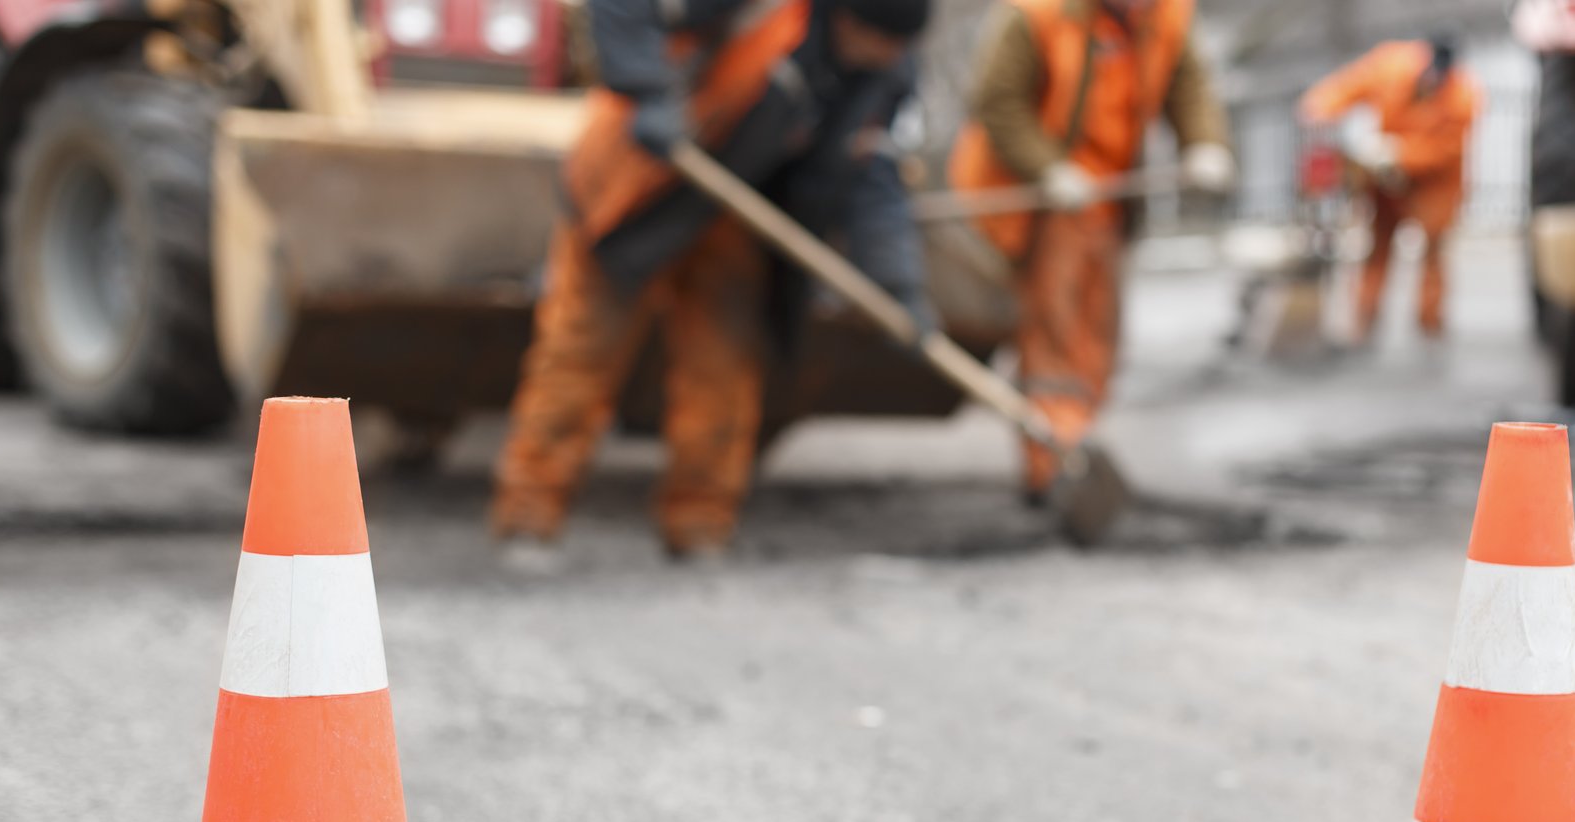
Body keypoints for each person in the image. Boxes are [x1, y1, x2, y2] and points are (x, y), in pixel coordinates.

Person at [491, 0, 934, 559]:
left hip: (729, 211)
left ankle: (700, 526)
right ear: (849, 19)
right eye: (883, 44)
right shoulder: (763, 10)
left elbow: (874, 184)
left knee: (722, 373)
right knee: (582, 356)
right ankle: (529, 519)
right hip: (636, 188)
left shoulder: (882, 76)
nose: (890, 59)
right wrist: (647, 91)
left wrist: (900, 290)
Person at [949, 0, 1234, 501]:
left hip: (1107, 200)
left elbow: (1188, 87)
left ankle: (1076, 448)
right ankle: (1053, 466)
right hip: (1038, 200)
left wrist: (1205, 143)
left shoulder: (1167, 16)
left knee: (1097, 337)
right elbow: (997, 103)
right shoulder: (1035, 15)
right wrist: (1048, 168)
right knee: (1054, 337)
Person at [1299, 34, 1480, 344]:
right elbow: (1349, 85)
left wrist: (1399, 153)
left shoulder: (1464, 96)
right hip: (1385, 181)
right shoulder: (1391, 67)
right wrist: (1320, 107)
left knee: (1433, 251)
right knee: (1378, 247)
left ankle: (1430, 323)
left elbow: (1446, 149)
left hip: (1434, 185)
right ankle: (1365, 320)